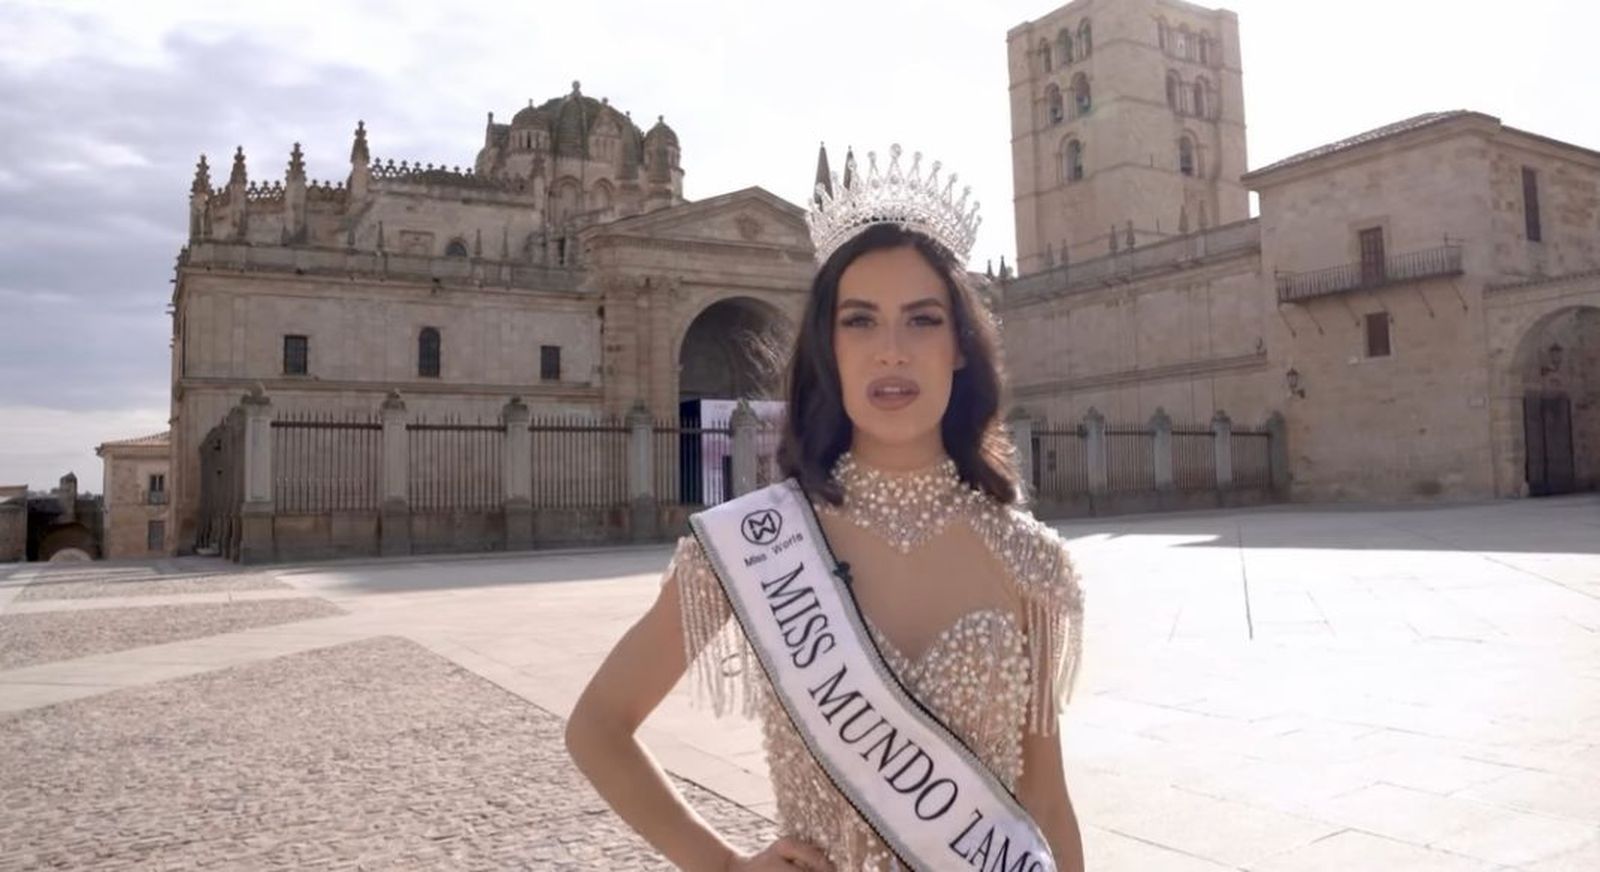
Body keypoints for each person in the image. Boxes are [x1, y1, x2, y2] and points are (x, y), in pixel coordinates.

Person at [566, 145, 1085, 871]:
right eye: (861, 321)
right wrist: (723, 866)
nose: (891, 351)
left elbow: (1048, 800)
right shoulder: (757, 545)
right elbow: (598, 726)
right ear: (828, 347)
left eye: (923, 320)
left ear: (961, 347)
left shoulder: (1029, 560)